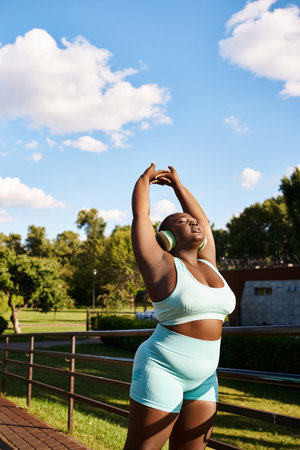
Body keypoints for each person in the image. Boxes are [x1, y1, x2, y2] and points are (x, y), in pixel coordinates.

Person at [124, 164, 236, 450]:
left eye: (192, 220)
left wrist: (178, 186)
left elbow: (205, 221)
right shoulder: (160, 265)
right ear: (167, 237)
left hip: (204, 377)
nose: (193, 222)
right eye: (183, 221)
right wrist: (143, 181)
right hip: (162, 368)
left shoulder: (209, 263)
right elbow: (141, 216)